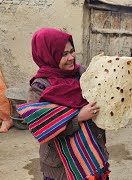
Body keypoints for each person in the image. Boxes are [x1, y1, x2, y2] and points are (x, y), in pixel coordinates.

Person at [17, 28, 110, 180]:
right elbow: (39, 126)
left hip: (93, 156)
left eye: (72, 51)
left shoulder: (83, 74)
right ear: (48, 55)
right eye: (63, 54)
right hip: (61, 166)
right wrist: (78, 117)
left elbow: (106, 92)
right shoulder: (40, 87)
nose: (71, 58)